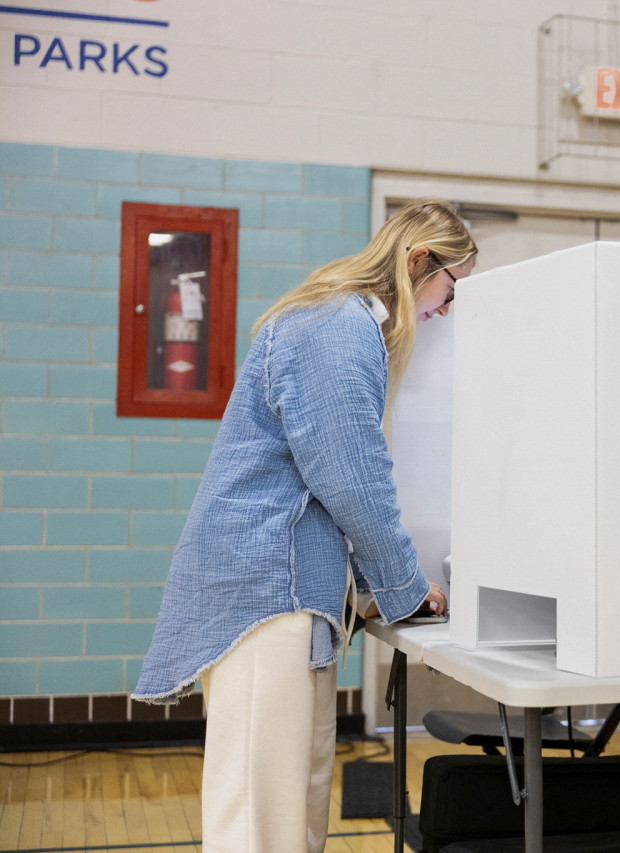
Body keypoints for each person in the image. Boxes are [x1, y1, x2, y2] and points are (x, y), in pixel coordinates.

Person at [132, 200, 477, 853]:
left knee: (296, 807)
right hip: (266, 599)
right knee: (260, 821)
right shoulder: (334, 327)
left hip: (290, 594)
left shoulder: (346, 327)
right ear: (417, 262)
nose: (448, 307)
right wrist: (404, 585)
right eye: (451, 286)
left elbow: (320, 487)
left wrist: (364, 589)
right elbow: (352, 480)